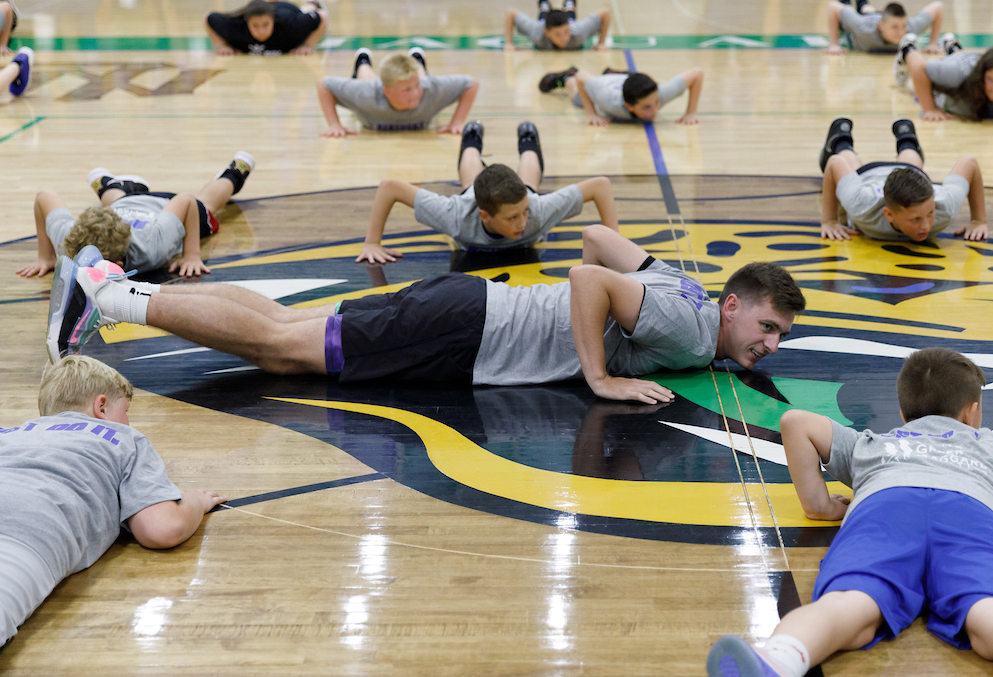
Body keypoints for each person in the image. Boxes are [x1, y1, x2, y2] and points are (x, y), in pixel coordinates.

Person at [705, 347, 993, 677]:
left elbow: (796, 422)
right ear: (972, 412)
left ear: (905, 413)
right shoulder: (992, 443)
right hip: (971, 514)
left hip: (886, 508)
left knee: (850, 604)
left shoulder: (877, 441)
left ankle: (777, 659)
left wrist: (818, 505)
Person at [48, 225, 806, 409]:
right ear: (733, 305)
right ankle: (112, 297)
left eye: (779, 338)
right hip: (469, 330)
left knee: (287, 338)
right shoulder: (687, 326)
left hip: (467, 312)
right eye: (766, 327)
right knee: (283, 347)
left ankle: (116, 284)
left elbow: (604, 241)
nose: (768, 345)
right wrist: (599, 375)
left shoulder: (690, 292)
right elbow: (586, 275)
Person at [0, 355, 225, 647]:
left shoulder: (9, 434)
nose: (129, 421)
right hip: (26, 540)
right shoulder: (122, 438)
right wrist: (195, 501)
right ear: (102, 407)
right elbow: (162, 529)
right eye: (127, 411)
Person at [357, 121, 619, 262]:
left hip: (524, 195)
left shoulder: (536, 211)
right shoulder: (456, 216)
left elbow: (600, 186)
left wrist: (614, 245)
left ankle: (528, 138)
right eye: (512, 218)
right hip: (473, 197)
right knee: (471, 183)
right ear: (485, 217)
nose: (523, 222)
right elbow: (390, 187)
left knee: (529, 185)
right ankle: (472, 137)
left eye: (523, 213)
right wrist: (371, 242)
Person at [16, 153, 255, 280]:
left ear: (119, 263)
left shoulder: (152, 247)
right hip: (125, 205)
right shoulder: (68, 243)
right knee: (115, 203)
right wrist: (46, 257)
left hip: (169, 207)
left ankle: (235, 172)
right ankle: (114, 185)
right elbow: (43, 197)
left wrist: (191, 254)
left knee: (207, 202)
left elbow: (186, 200)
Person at [817, 117, 988, 242]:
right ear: (889, 214)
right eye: (915, 219)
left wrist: (978, 220)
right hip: (871, 175)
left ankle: (907, 137)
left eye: (930, 213)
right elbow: (834, 163)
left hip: (910, 173)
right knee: (851, 163)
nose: (926, 226)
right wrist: (829, 221)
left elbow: (969, 163)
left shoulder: (945, 206)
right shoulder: (862, 204)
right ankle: (840, 138)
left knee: (913, 167)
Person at [317, 47, 479, 136]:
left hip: (422, 81)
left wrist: (457, 121)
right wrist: (334, 124)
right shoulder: (367, 94)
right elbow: (324, 85)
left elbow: (471, 84)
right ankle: (363, 60)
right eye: (406, 90)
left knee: (422, 81)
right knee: (366, 81)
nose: (415, 93)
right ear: (387, 92)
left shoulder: (430, 89)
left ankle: (417, 59)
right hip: (371, 88)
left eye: (416, 87)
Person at [538, 67, 704, 126]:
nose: (655, 110)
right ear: (628, 106)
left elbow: (697, 73)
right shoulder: (606, 99)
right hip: (603, 86)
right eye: (646, 107)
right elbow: (582, 76)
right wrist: (591, 114)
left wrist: (690, 112)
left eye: (657, 103)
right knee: (575, 97)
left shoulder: (658, 94)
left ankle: (616, 72)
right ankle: (566, 78)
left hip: (624, 82)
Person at [205, 0, 328, 55]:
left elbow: (322, 16)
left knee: (305, 10)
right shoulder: (236, 26)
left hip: (287, 9)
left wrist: (308, 45)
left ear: (273, 21)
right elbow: (208, 18)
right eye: (255, 26)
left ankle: (312, 2)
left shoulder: (290, 25)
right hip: (269, 9)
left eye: (266, 25)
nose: (261, 31)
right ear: (246, 22)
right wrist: (221, 46)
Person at [826, 0, 944, 54]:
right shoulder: (863, 28)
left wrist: (933, 43)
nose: (901, 32)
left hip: (876, 15)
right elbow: (833, 7)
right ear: (881, 26)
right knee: (852, 12)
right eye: (895, 27)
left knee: (868, 10)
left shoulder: (910, 29)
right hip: (862, 22)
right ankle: (846, 0)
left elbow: (938, 7)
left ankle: (862, 0)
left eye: (903, 26)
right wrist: (834, 45)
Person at [504, 0, 610, 51]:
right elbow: (511, 13)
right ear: (546, 33)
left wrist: (601, 43)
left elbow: (605, 12)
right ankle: (544, 3)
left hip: (571, 22)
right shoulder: (537, 32)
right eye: (557, 35)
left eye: (566, 33)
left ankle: (569, 2)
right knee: (543, 16)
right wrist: (508, 43)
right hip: (543, 23)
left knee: (570, 18)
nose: (564, 38)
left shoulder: (579, 32)